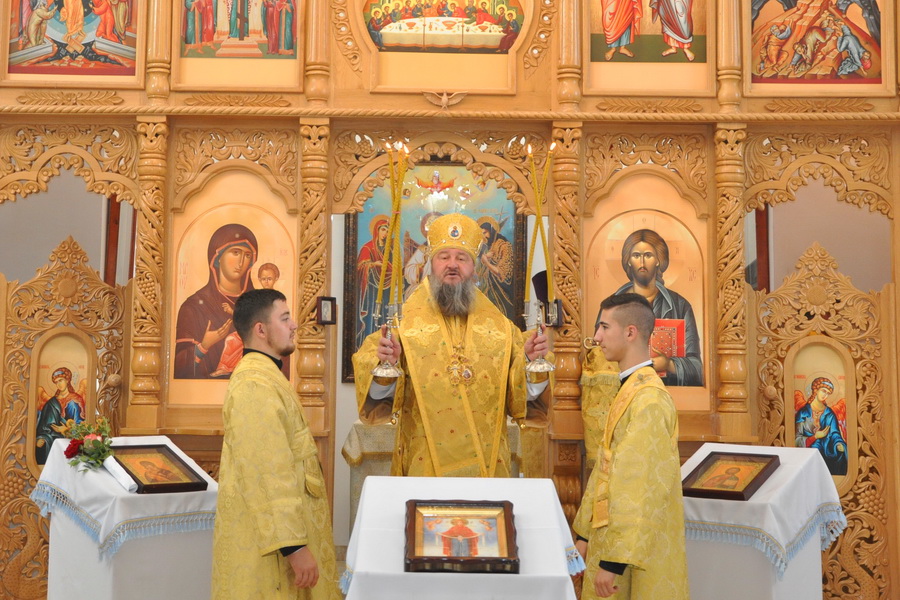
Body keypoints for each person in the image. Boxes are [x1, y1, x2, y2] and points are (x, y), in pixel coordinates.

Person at [352, 213, 550, 478]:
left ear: (474, 267)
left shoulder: (502, 330)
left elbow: (523, 405)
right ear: (431, 264)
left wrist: (529, 363)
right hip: (424, 469)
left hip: (486, 471)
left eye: (462, 258)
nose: (452, 265)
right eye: (444, 257)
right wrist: (388, 365)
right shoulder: (402, 327)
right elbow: (381, 406)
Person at [212, 289, 340, 600]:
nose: (294, 325)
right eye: (284, 318)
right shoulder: (254, 384)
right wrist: (293, 547)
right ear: (261, 329)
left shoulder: (267, 376)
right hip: (273, 552)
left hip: (283, 538)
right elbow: (267, 471)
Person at [574, 293, 689, 600]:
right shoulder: (630, 388)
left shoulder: (649, 400)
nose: (597, 337)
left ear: (630, 332)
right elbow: (606, 467)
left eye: (604, 327)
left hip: (629, 557)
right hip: (610, 541)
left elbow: (638, 484)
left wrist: (613, 562)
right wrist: (584, 534)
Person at [608, 228, 702, 386]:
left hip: (669, 393)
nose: (642, 263)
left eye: (648, 255)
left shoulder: (680, 306)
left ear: (658, 260)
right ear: (628, 261)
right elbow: (597, 356)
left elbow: (697, 369)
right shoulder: (612, 306)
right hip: (624, 391)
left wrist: (669, 365)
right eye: (636, 255)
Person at [174, 223, 258, 379]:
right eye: (235, 252)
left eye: (247, 255)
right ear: (217, 258)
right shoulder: (193, 307)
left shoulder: (260, 304)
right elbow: (179, 369)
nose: (241, 262)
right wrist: (204, 346)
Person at [795, 377, 847, 475]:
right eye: (823, 391)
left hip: (827, 450)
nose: (825, 395)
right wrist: (815, 437)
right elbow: (796, 439)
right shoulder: (803, 413)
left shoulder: (829, 413)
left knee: (841, 456)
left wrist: (838, 444)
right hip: (807, 453)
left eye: (828, 393)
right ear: (816, 390)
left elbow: (835, 433)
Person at [35, 367, 86, 465]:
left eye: (61, 380)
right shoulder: (51, 403)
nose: (59, 384)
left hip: (69, 441)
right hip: (52, 440)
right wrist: (41, 438)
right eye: (56, 382)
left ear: (67, 380)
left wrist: (65, 430)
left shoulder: (76, 400)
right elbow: (43, 426)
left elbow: (81, 426)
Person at [356, 215, 391, 348]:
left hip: (386, 288)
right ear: (377, 230)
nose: (385, 233)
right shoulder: (368, 248)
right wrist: (372, 264)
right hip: (371, 289)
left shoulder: (389, 249)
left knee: (384, 316)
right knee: (371, 316)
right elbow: (360, 266)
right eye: (383, 230)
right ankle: (369, 344)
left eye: (387, 230)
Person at [475, 216, 514, 316]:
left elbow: (502, 273)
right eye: (481, 234)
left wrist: (486, 263)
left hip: (499, 291)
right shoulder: (486, 246)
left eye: (485, 233)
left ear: (491, 231)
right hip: (484, 289)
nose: (483, 237)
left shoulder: (504, 246)